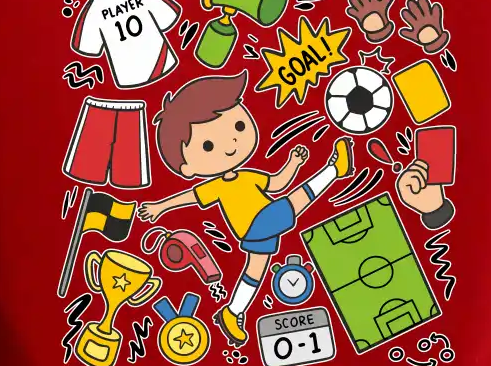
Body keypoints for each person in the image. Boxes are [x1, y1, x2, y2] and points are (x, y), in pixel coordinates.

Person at [136, 73, 351, 344]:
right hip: (257, 223)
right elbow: (190, 196)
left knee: (254, 271)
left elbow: (277, 183)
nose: (231, 144)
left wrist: (293, 164)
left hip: (258, 228)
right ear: (187, 168)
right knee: (290, 206)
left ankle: (233, 312)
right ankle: (334, 170)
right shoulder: (216, 186)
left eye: (238, 126)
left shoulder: (248, 176)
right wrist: (160, 206)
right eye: (208, 146)